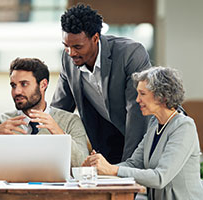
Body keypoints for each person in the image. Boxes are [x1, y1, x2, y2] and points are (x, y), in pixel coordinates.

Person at [82, 67, 203, 200]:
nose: (137, 99)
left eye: (142, 94)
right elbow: (134, 164)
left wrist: (112, 170)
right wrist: (99, 168)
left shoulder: (184, 126)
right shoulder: (154, 125)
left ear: (161, 96)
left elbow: (160, 177)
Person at [51, 4, 151, 164]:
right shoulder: (68, 60)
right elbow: (59, 112)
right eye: (66, 46)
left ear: (95, 38)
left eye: (77, 47)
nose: (71, 53)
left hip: (144, 135)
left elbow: (137, 113)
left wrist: (128, 167)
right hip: (108, 140)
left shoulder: (130, 54)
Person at [0, 58, 89, 178]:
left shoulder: (70, 121)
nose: (17, 91)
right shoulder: (0, 122)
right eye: (13, 85)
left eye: (24, 84)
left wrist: (60, 134)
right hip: (9, 194)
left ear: (43, 85)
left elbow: (84, 168)